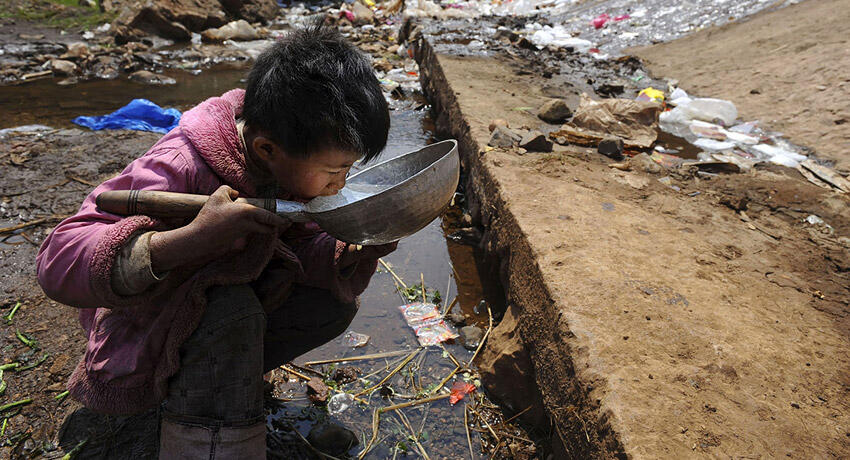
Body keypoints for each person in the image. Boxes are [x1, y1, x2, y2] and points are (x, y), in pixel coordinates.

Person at [36, 24, 396, 459]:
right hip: (147, 324)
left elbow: (298, 244)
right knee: (231, 310)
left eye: (348, 171)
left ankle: (218, 382)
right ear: (266, 149)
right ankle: (201, 434)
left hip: (218, 317)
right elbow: (57, 259)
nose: (339, 186)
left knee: (330, 303)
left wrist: (349, 250)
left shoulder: (291, 160)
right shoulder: (181, 163)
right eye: (334, 171)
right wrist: (192, 239)